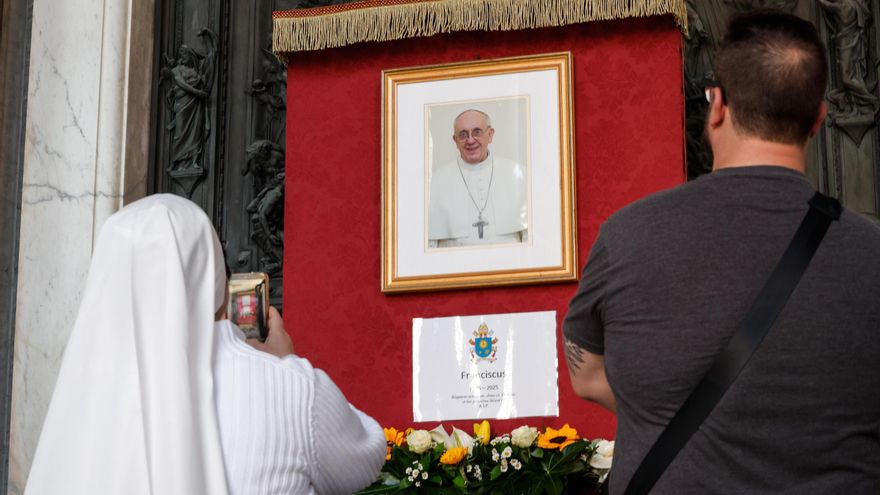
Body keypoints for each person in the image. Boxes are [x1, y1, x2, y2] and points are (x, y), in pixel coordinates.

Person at [562, 10, 880, 495]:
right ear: (818, 119)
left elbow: (585, 377)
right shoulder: (871, 250)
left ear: (716, 106)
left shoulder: (627, 235)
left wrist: (667, 410)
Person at [25, 194, 385, 495]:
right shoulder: (292, 387)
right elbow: (367, 459)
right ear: (214, 274)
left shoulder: (77, 401)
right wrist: (286, 361)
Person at [427, 109, 528, 247]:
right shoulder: (436, 181)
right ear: (455, 140)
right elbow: (429, 244)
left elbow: (530, 237)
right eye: (463, 135)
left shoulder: (518, 173)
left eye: (477, 132)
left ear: (490, 134)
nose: (470, 140)